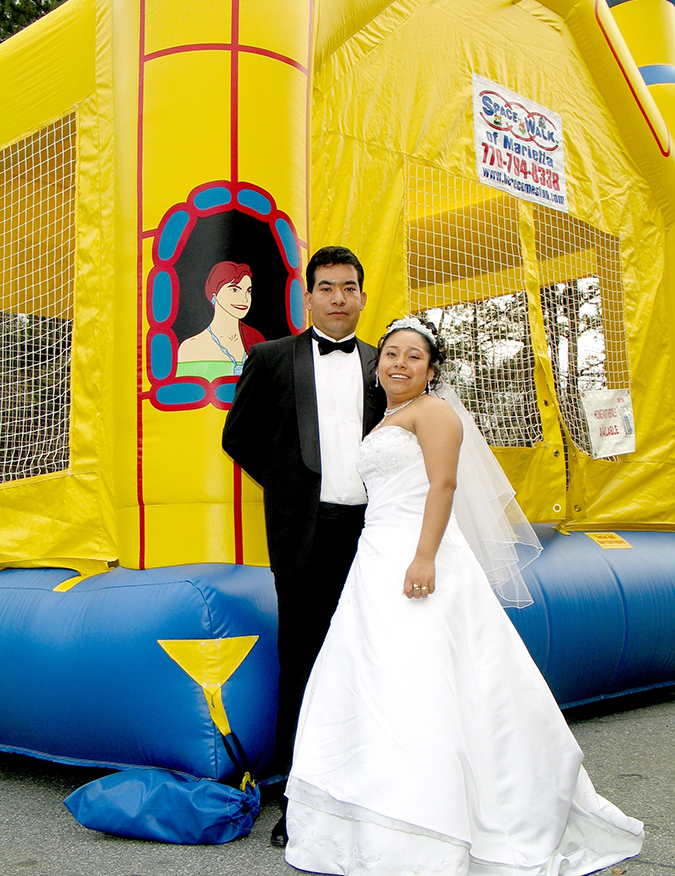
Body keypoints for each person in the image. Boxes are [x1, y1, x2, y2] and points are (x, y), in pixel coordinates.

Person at [284, 315, 645, 876]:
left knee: (427, 681)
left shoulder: (434, 412)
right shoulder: (389, 417)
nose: (399, 363)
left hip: (418, 557)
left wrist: (424, 554)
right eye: (392, 354)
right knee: (374, 676)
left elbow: (445, 484)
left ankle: (444, 820)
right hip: (375, 558)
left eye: (414, 357)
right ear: (379, 364)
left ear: (432, 371)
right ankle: (371, 813)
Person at [221, 246, 384, 847]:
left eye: (349, 287)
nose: (339, 298)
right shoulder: (268, 359)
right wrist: (293, 488)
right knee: (305, 667)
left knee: (373, 662)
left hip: (375, 539)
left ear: (362, 296)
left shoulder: (384, 363)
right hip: (304, 537)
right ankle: (300, 801)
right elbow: (238, 438)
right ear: (307, 296)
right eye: (327, 288)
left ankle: (371, 795)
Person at [177, 260, 264, 379]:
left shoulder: (256, 340)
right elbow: (185, 393)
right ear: (215, 294)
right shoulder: (190, 348)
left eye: (248, 291)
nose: (244, 299)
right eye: (234, 289)